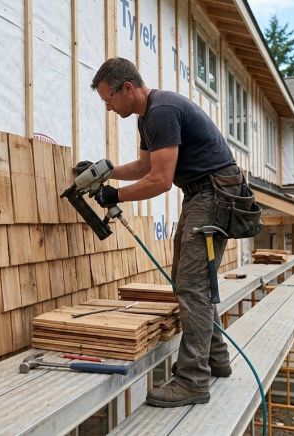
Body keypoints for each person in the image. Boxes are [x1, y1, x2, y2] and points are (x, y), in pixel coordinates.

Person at [77, 57, 242, 407]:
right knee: (188, 281)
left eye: (109, 99)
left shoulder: (162, 111)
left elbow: (160, 180)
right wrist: (101, 173)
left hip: (214, 195)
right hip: (204, 194)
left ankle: (193, 381)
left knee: (192, 286)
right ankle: (216, 358)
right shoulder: (146, 116)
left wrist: (115, 195)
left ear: (127, 88)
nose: (107, 107)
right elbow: (143, 166)